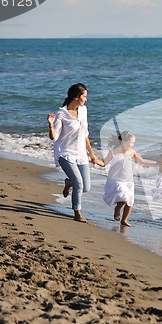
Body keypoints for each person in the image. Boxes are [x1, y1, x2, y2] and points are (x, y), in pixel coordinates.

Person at [47, 83, 98, 223]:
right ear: (76, 97)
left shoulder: (83, 110)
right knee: (79, 183)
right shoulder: (61, 114)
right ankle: (77, 212)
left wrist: (91, 154)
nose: (86, 99)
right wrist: (50, 125)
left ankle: (69, 182)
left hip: (81, 153)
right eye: (84, 96)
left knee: (85, 187)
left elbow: (84, 134)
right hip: (65, 153)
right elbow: (54, 137)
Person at [95, 131, 158, 227]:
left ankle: (124, 220)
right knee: (124, 197)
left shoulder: (132, 152)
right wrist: (96, 160)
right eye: (131, 142)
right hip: (116, 180)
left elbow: (143, 161)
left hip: (128, 181)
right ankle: (117, 209)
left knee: (130, 201)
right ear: (124, 141)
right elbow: (104, 163)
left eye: (134, 143)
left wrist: (157, 163)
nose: (132, 145)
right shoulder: (114, 151)